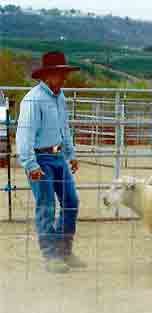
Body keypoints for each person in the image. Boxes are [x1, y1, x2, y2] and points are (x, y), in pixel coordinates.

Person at [16, 51, 87, 273]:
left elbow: (64, 127)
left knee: (71, 202)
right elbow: (24, 134)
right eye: (60, 74)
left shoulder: (60, 97)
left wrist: (70, 153)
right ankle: (51, 254)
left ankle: (64, 250)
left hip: (57, 157)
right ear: (48, 76)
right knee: (46, 206)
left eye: (64, 73)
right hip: (40, 158)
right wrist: (30, 164)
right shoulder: (33, 99)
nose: (64, 78)